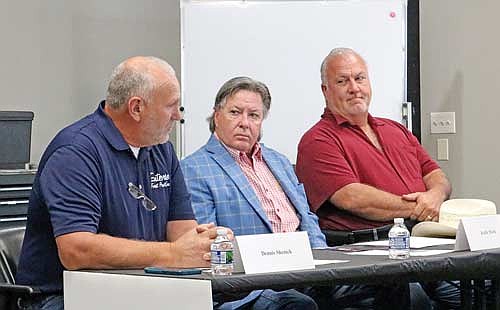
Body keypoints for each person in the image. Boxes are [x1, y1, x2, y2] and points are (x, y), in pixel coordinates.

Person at [181, 76, 411, 310]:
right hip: (250, 286)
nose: (244, 123)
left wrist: (324, 266)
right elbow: (207, 245)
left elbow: (307, 219)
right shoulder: (194, 169)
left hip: (305, 273)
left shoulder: (278, 162)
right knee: (296, 304)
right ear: (216, 115)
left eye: (254, 115)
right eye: (235, 113)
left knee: (389, 281)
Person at [16, 56, 223, 310]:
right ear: (136, 108)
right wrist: (173, 255)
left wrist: (206, 243)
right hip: (63, 297)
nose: (178, 116)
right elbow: (77, 251)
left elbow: (183, 235)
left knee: (278, 301)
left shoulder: (162, 150)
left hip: (147, 292)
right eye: (171, 106)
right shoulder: (75, 152)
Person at [296, 47, 459, 309]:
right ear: (326, 91)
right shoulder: (317, 140)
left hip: (420, 242)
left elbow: (436, 175)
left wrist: (435, 196)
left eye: (360, 78)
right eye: (342, 81)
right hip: (367, 252)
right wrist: (422, 208)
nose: (354, 88)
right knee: (411, 296)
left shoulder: (396, 129)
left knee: (481, 285)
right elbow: (352, 198)